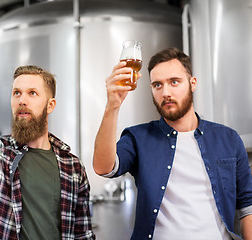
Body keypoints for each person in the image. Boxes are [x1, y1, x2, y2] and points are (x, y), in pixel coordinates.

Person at [0, 43, 95, 240]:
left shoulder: (73, 167)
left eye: (32, 93)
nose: (22, 100)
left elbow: (83, 235)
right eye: (16, 93)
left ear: (50, 105)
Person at [93, 47, 252, 240]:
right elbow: (103, 168)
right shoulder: (138, 137)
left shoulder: (229, 139)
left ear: (192, 83)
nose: (166, 92)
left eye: (174, 82)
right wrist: (113, 106)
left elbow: (247, 207)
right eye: (157, 85)